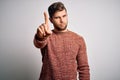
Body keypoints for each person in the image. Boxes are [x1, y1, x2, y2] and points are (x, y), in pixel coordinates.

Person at [34, 2, 90, 80]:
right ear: (51, 20)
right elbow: (39, 44)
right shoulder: (47, 36)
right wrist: (40, 37)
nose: (62, 20)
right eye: (57, 17)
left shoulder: (78, 39)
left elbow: (84, 68)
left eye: (64, 16)